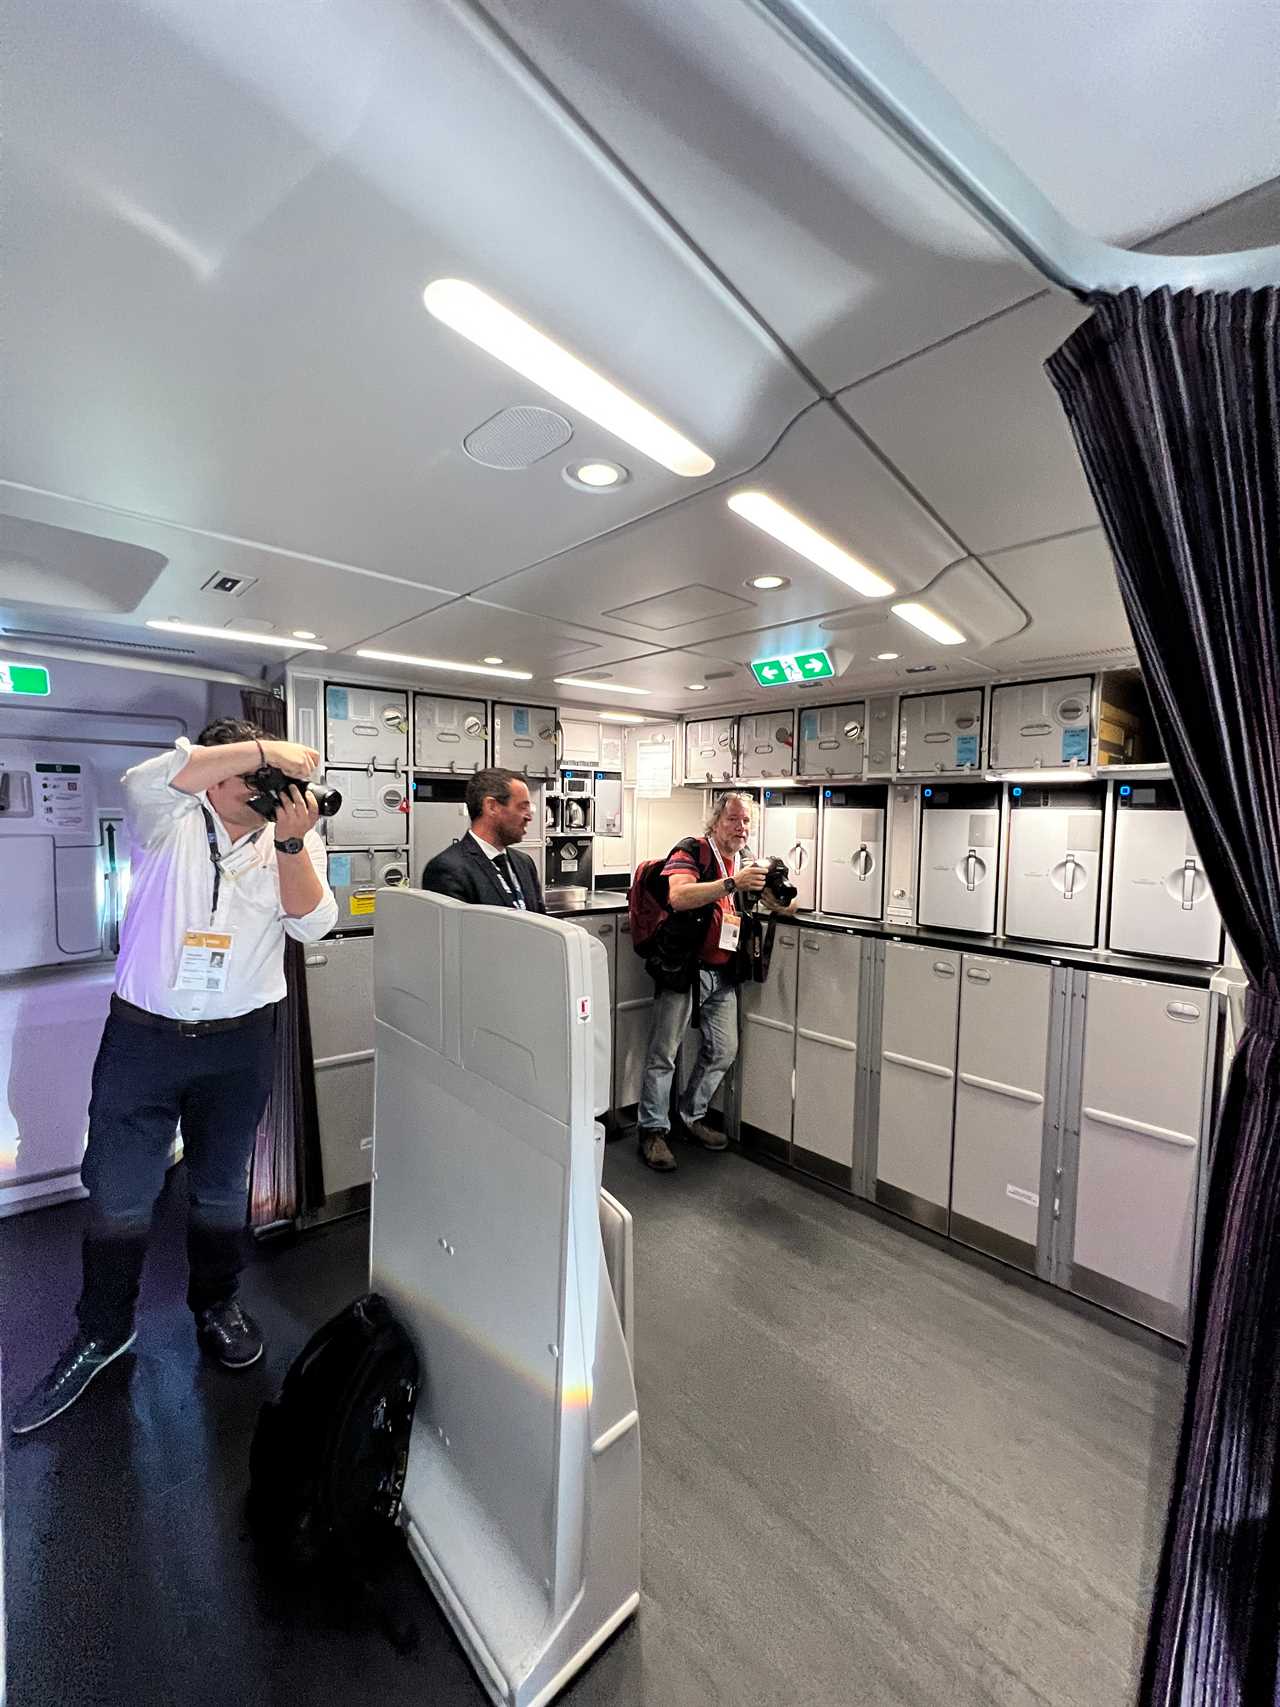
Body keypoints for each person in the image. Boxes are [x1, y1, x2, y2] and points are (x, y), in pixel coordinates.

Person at [11, 719, 338, 1436]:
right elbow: (142, 777)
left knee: (221, 1189)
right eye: (248, 774)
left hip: (241, 1042)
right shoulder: (171, 814)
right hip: (145, 1040)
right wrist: (266, 752)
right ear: (214, 775)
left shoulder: (293, 836)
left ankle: (216, 1304)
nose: (264, 787)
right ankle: (104, 1331)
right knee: (119, 1193)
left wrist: (289, 842)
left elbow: (314, 924)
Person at [636, 792, 795, 1172]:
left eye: (746, 823)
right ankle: (653, 1130)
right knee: (664, 1053)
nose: (740, 828)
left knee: (724, 1049)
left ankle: (691, 1115)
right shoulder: (691, 850)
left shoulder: (746, 861)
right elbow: (678, 896)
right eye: (733, 820)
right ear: (715, 823)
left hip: (723, 972)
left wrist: (778, 895)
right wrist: (731, 884)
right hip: (685, 969)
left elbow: (784, 905)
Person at [421, 767, 545, 913]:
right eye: (522, 807)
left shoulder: (524, 863)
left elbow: (543, 921)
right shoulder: (448, 869)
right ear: (492, 806)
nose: (529, 817)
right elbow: (456, 933)